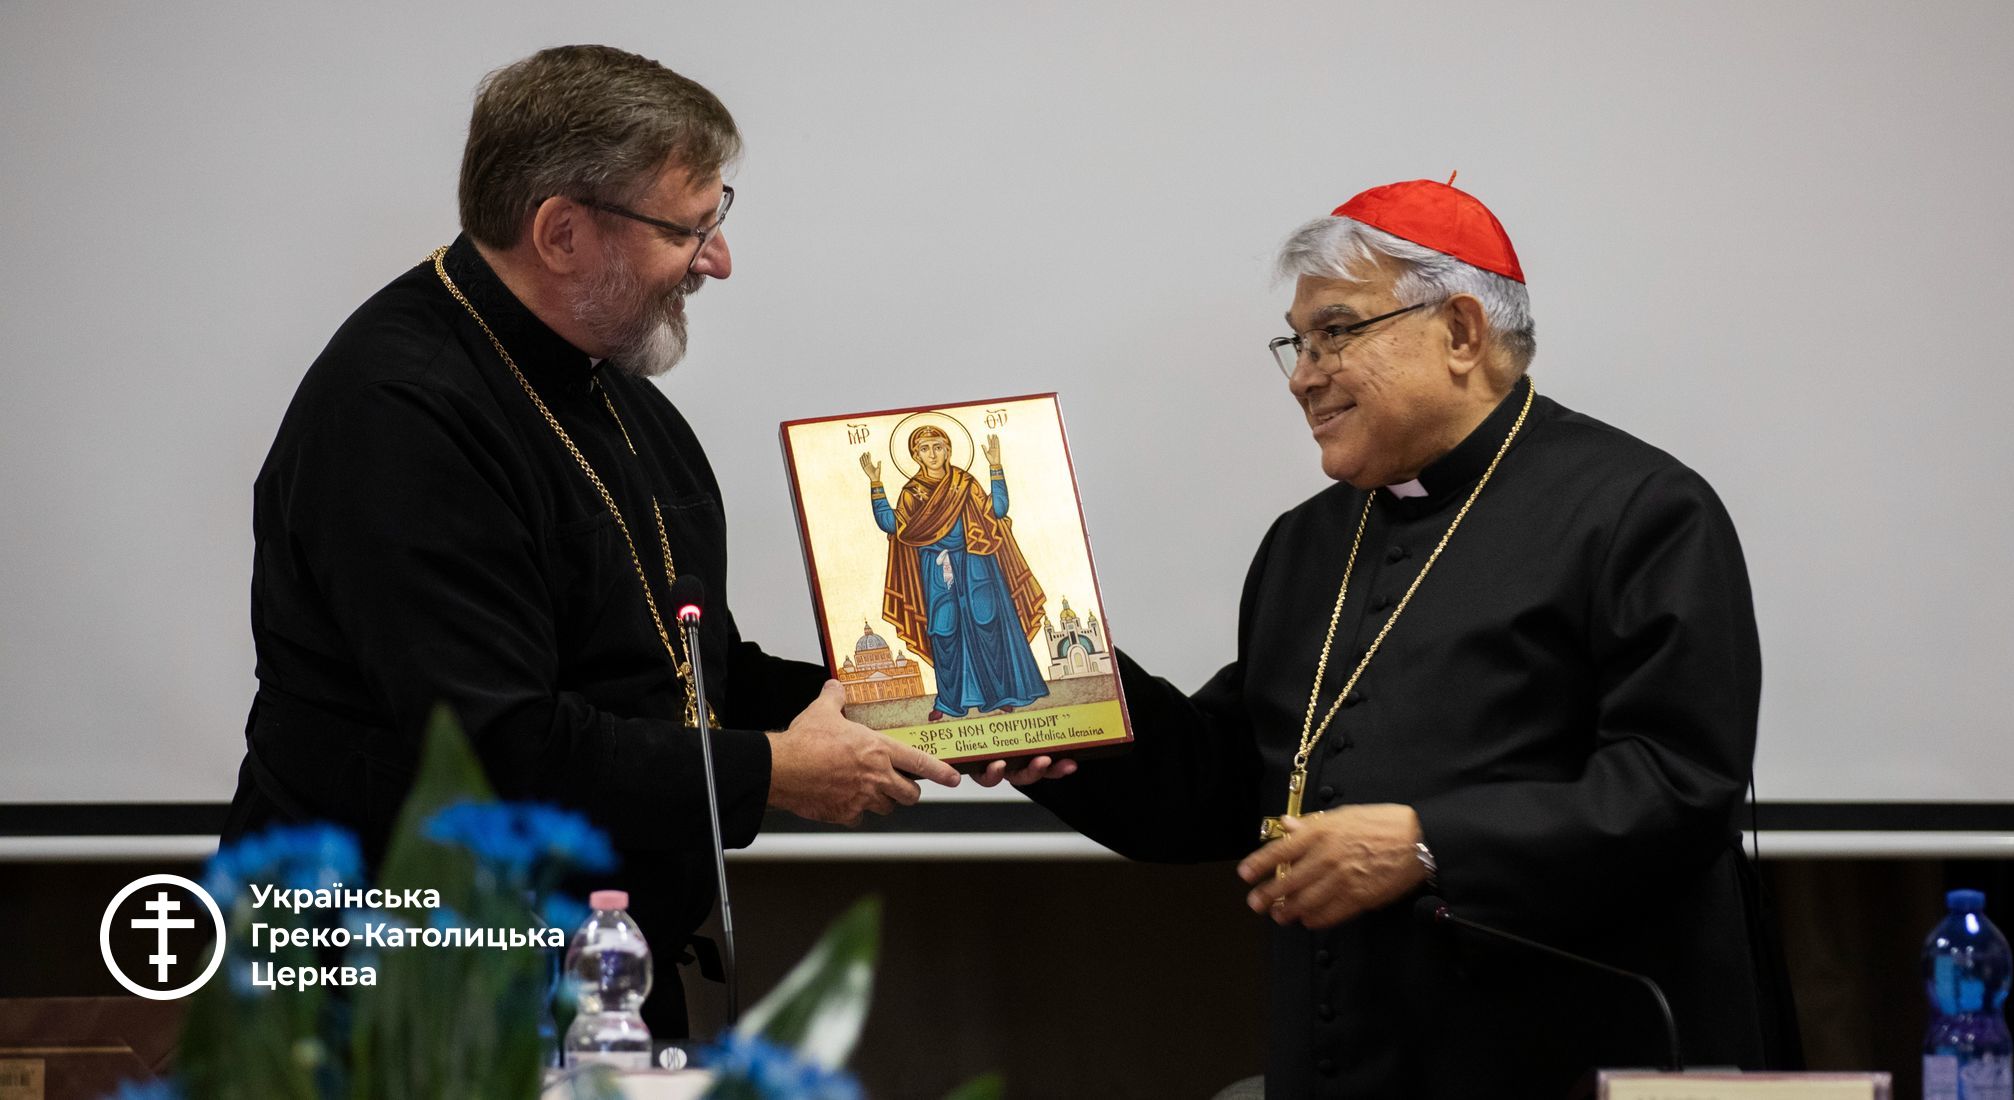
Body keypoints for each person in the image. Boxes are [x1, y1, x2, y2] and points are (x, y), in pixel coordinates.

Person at [983, 179, 1795, 1096]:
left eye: (1336, 332)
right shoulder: (1308, 542)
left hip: (1558, 1063)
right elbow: (1218, 784)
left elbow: (1678, 783)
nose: (1303, 375)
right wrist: (1049, 698)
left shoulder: (1639, 510)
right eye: (1298, 343)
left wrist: (1429, 842)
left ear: (1461, 331)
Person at [222, 45, 960, 1037]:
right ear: (562, 232)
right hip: (400, 989)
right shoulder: (397, 414)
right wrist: (776, 772)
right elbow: (499, 744)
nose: (718, 261)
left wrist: (928, 705)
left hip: (589, 969)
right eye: (687, 230)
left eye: (715, 218)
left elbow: (686, 669)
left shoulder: (613, 391)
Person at [859, 426, 1050, 721]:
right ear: (915, 455)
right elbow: (893, 525)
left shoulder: (965, 483)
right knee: (943, 631)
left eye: (938, 447)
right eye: (925, 449)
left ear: (948, 450)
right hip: (937, 567)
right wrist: (876, 485)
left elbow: (997, 510)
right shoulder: (912, 491)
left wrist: (995, 466)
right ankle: (950, 702)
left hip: (975, 561)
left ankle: (1000, 694)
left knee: (987, 623)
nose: (932, 454)